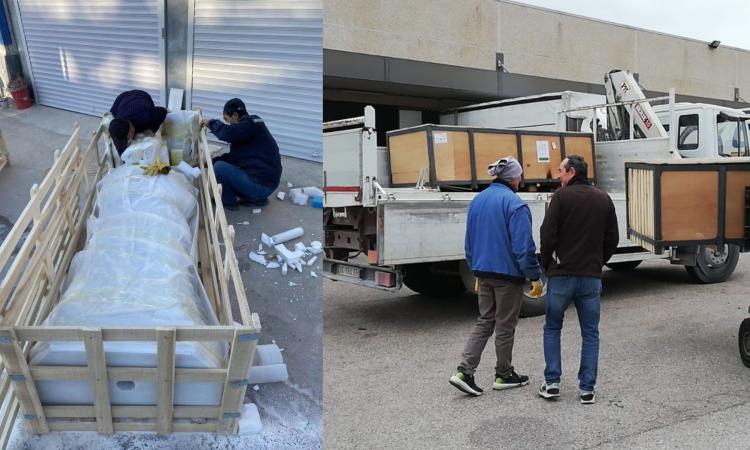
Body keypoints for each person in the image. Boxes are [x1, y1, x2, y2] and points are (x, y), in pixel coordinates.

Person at [449, 156, 544, 397]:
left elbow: (469, 241)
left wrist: (475, 268)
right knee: (505, 325)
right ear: (514, 178)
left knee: (485, 320)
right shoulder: (515, 204)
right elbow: (523, 247)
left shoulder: (478, 200)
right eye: (520, 175)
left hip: (483, 270)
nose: (521, 179)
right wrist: (534, 276)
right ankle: (503, 374)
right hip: (507, 274)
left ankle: (464, 371)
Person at [538, 155, 619, 405]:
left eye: (561, 171)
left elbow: (547, 235)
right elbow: (612, 238)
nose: (558, 176)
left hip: (561, 276)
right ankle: (587, 389)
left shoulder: (561, 198)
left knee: (553, 327)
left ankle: (552, 383)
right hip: (591, 277)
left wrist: (547, 264)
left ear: (571, 172)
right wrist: (598, 262)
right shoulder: (603, 198)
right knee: (590, 333)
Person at [201, 98, 282, 209]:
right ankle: (255, 199)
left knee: (219, 168)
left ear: (235, 115)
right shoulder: (251, 126)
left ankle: (228, 202)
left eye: (226, 119)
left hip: (261, 186)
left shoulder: (248, 125)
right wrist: (208, 162)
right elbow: (233, 158)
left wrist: (210, 123)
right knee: (222, 166)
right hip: (267, 184)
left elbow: (228, 133)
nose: (227, 123)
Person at [108, 90, 168, 154]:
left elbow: (163, 111)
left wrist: (152, 129)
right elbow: (120, 145)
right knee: (113, 113)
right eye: (128, 138)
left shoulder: (145, 117)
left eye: (132, 131)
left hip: (141, 95)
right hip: (121, 98)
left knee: (150, 125)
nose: (131, 136)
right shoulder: (117, 123)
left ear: (130, 125)